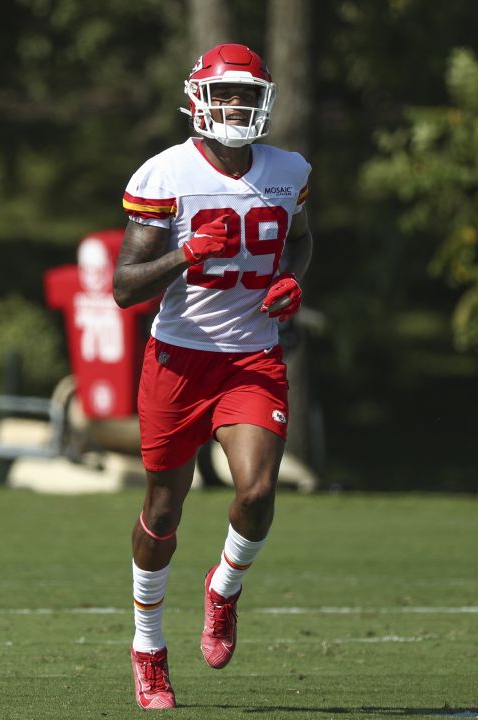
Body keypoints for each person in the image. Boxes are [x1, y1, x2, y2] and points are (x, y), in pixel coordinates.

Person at [112, 42, 314, 711]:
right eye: (223, 94)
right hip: (178, 357)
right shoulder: (164, 175)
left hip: (251, 355)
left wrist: (291, 280)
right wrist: (184, 254)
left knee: (256, 491)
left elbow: (302, 237)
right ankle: (148, 649)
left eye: (246, 95)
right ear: (199, 100)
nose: (235, 106)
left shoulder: (288, 170)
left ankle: (224, 588)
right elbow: (123, 288)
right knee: (162, 510)